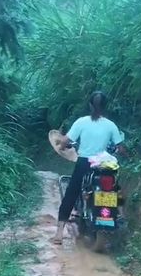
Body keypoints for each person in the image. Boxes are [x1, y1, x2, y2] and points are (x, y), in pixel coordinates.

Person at [53, 91, 125, 244]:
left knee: (71, 193)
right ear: (106, 106)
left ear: (90, 105)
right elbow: (120, 147)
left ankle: (59, 234)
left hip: (85, 162)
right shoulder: (111, 125)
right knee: (114, 190)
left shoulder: (81, 122)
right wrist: (125, 154)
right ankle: (120, 215)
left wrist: (61, 144)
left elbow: (66, 141)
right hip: (104, 165)